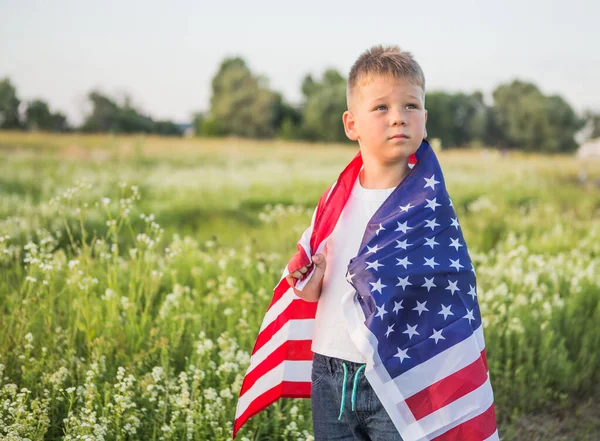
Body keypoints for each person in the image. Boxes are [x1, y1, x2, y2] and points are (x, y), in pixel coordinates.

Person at [285, 44, 428, 441]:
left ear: (425, 120)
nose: (398, 117)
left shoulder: (426, 206)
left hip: (396, 373)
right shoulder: (336, 199)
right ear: (352, 125)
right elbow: (310, 284)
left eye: (411, 106)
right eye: (381, 108)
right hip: (329, 369)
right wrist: (309, 281)